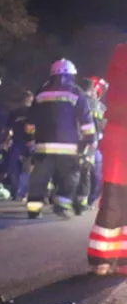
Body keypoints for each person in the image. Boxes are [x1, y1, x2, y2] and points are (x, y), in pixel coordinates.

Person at [24, 58, 97, 219]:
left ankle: (33, 210)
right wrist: (89, 139)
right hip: (68, 147)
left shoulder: (41, 92)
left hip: (43, 146)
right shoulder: (76, 92)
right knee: (71, 175)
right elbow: (85, 120)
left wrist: (29, 140)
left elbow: (30, 120)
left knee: (39, 179)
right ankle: (61, 203)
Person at [89, 46, 127, 274]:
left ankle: (104, 259)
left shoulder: (121, 53)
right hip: (119, 138)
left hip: (116, 138)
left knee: (112, 201)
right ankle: (120, 260)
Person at [76, 76, 109, 212]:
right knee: (92, 173)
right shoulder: (99, 106)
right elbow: (103, 125)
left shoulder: (74, 101)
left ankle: (76, 200)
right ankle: (85, 201)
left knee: (79, 172)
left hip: (76, 141)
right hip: (92, 144)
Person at [3, 90, 34, 201]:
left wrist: (5, 141)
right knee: (26, 170)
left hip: (18, 143)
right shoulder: (33, 112)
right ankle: (21, 193)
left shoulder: (14, 112)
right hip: (29, 143)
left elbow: (7, 129)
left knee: (15, 169)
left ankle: (17, 193)